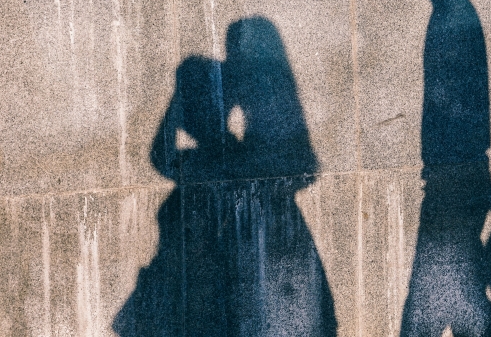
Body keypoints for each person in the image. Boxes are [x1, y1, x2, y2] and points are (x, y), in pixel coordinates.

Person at [113, 17, 336, 336]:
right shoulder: (208, 161)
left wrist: (183, 102)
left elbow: (162, 157)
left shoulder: (225, 157)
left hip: (261, 253)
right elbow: (161, 158)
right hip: (251, 256)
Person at [400, 0, 491, 336]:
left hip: (451, 188)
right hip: (452, 183)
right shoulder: (452, 14)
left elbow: (467, 121)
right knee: (461, 310)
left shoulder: (453, 20)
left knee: (424, 317)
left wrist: (444, 187)